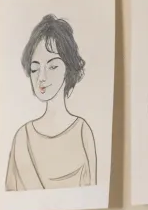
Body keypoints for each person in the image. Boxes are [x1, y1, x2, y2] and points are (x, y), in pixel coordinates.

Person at [5, 15, 97, 190]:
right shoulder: (22, 137)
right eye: (35, 69)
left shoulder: (82, 131)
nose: (42, 77)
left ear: (68, 69)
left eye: (52, 66)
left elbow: (92, 191)